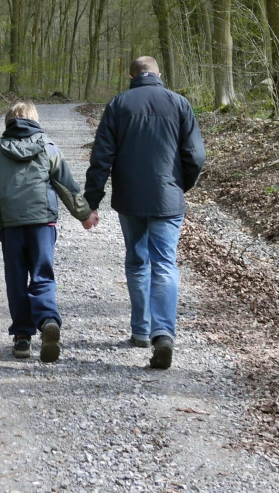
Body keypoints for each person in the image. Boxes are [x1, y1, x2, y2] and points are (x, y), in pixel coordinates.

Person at [84, 56, 206, 369]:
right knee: (164, 263)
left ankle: (140, 330)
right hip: (167, 198)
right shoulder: (179, 103)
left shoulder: (118, 105)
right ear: (159, 73)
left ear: (131, 75)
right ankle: (163, 333)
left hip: (130, 199)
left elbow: (101, 158)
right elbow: (195, 155)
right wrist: (180, 185)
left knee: (138, 261)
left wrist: (92, 201)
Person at [0, 102, 98, 362]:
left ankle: (22, 338)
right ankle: (48, 321)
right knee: (43, 275)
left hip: (11, 227)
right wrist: (85, 216)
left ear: (8, 123)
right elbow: (67, 187)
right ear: (35, 121)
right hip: (43, 225)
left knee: (16, 279)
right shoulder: (49, 148)